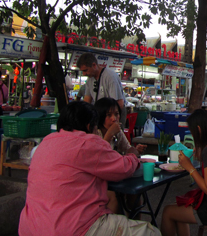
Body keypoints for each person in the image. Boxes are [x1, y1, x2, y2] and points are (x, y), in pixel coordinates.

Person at [18, 101, 160, 236]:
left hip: (30, 228)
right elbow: (123, 167)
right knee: (151, 232)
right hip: (73, 229)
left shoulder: (46, 142)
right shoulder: (87, 143)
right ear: (89, 126)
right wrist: (134, 156)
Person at [94, 97, 147, 214]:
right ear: (100, 116)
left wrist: (136, 150)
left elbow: (128, 150)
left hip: (116, 176)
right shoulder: (95, 133)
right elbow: (98, 155)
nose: (114, 119)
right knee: (114, 198)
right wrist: (109, 134)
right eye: (109, 115)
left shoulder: (118, 132)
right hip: (99, 179)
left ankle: (133, 224)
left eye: (116, 114)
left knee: (136, 193)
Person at [77, 53, 127, 127]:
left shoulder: (110, 77)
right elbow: (87, 100)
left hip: (113, 115)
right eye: (82, 71)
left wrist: (112, 119)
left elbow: (119, 103)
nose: (84, 74)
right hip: (102, 115)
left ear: (94, 65)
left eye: (85, 70)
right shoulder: (90, 80)